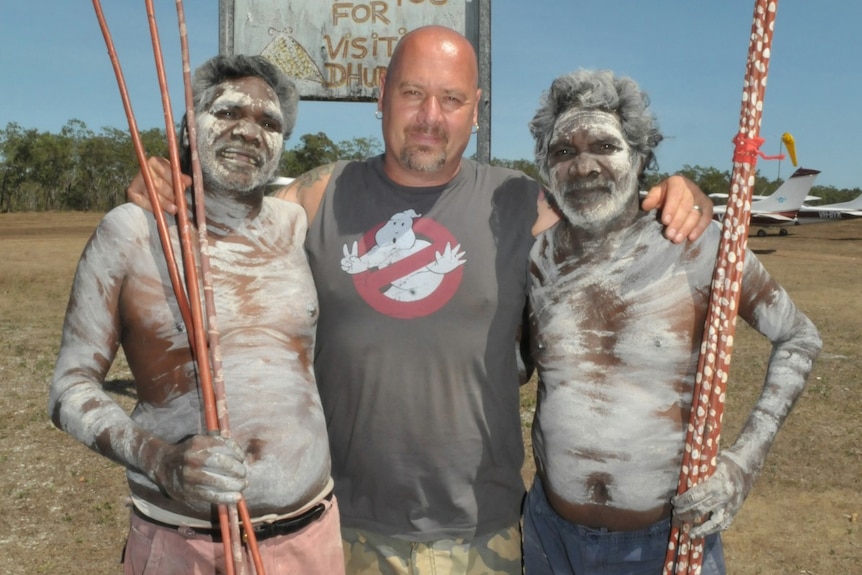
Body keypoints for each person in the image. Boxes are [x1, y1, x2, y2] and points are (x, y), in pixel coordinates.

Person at [128, 26, 715, 574]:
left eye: (452, 99)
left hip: (481, 534)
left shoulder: (524, 205)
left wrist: (678, 193)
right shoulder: (316, 197)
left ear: (476, 108)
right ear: (381, 96)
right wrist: (166, 180)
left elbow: (611, 217)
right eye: (412, 93)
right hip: (339, 527)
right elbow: (222, 221)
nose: (430, 118)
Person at [49, 55, 344, 574]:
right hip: (185, 543)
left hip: (310, 535)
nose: (249, 132)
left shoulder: (296, 225)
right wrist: (159, 459)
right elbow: (70, 389)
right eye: (229, 113)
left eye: (269, 123)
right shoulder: (135, 233)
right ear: (189, 128)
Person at [522, 69, 822, 574]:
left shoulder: (698, 246)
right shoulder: (538, 261)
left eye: (604, 146)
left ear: (640, 157)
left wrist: (743, 462)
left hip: (666, 543)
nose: (584, 166)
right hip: (551, 539)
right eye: (563, 152)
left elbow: (798, 336)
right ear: (546, 170)